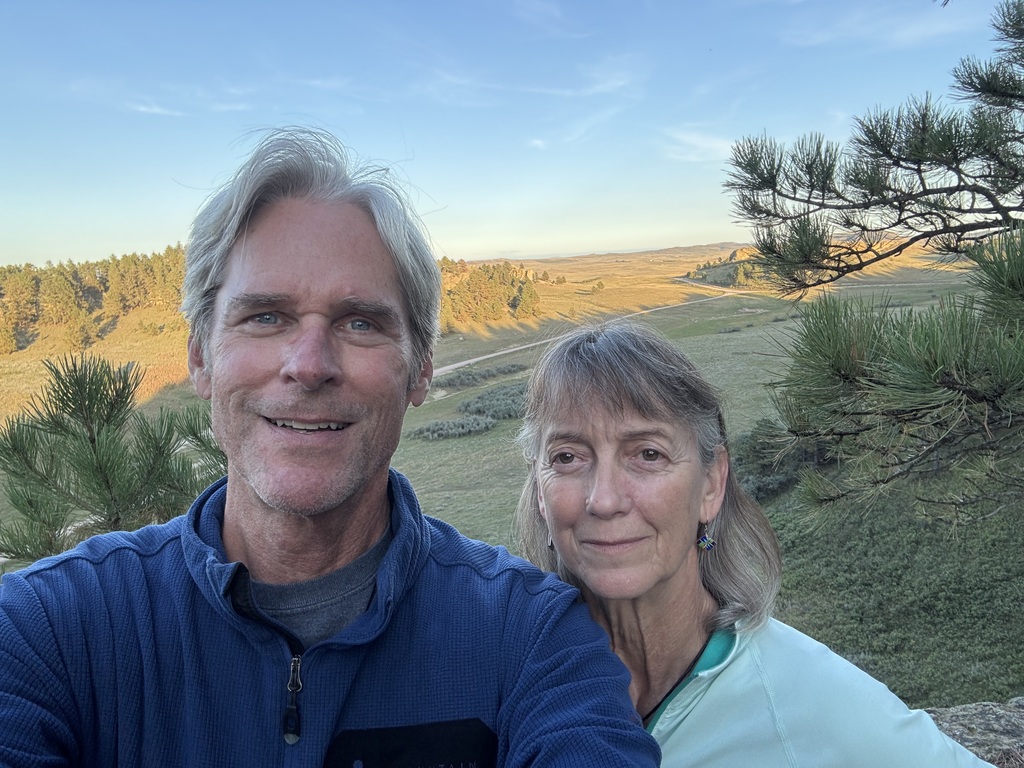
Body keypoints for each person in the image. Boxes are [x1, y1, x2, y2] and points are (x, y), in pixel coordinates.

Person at [0, 129, 660, 767]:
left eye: (360, 323)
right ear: (201, 358)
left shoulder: (531, 637)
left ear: (420, 370)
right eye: (266, 317)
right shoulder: (47, 630)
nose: (310, 364)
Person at [514, 319, 994, 767]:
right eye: (568, 457)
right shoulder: (509, 673)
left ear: (711, 484)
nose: (603, 500)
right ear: (539, 490)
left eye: (648, 454)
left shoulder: (807, 700)